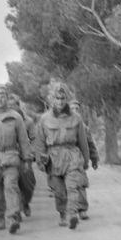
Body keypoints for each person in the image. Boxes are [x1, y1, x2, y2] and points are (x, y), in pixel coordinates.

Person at [35, 82, 90, 229]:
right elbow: (40, 141)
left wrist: (86, 160)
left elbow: (83, 141)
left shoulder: (76, 118)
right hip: (53, 157)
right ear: (52, 99)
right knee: (59, 191)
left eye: (63, 98)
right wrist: (40, 160)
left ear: (67, 99)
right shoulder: (44, 119)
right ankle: (62, 214)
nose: (60, 101)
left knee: (73, 187)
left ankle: (72, 214)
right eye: (57, 98)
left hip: (72, 154)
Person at [0, 86, 33, 234]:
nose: (0, 98)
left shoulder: (15, 117)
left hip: (11, 157)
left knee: (11, 187)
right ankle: (0, 216)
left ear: (7, 98)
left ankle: (13, 218)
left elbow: (23, 140)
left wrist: (27, 159)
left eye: (3, 95)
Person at [69, 100, 99, 220]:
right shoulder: (62, 125)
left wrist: (94, 159)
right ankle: (70, 210)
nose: (75, 111)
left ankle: (82, 210)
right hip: (64, 159)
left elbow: (90, 144)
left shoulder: (84, 127)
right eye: (72, 109)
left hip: (79, 159)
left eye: (77, 109)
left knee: (80, 183)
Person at [8, 93, 37, 217]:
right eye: (8, 105)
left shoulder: (28, 121)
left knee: (28, 184)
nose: (11, 107)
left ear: (18, 105)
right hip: (9, 155)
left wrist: (32, 153)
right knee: (11, 184)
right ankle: (16, 211)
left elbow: (34, 139)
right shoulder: (4, 119)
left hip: (24, 156)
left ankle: (25, 203)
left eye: (13, 105)